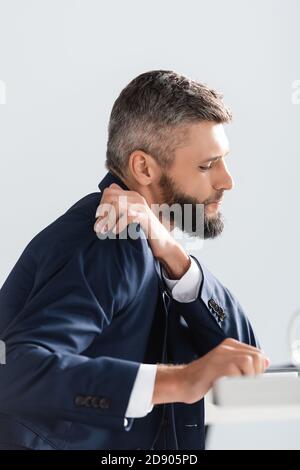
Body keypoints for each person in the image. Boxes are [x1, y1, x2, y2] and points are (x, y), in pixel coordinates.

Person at [0, 70, 269, 450]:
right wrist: (181, 380)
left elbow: (243, 360)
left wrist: (176, 258)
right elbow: (15, 373)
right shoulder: (108, 239)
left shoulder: (151, 242)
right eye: (208, 165)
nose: (227, 181)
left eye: (224, 160)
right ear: (144, 168)